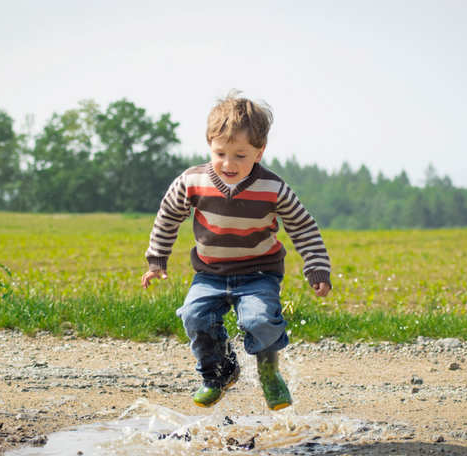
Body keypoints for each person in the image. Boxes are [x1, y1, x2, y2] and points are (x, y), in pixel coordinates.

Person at [141, 92, 331, 410]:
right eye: (221, 153)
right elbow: (168, 215)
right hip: (210, 273)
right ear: (210, 145)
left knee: (259, 321)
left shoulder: (274, 189)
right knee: (194, 316)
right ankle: (219, 373)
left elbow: (303, 228)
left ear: (259, 152)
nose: (229, 164)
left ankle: (269, 372)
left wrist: (316, 267)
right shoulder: (192, 181)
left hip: (259, 273)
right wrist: (157, 259)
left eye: (240, 155)